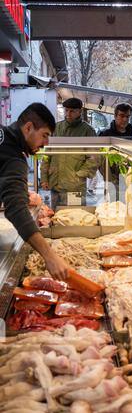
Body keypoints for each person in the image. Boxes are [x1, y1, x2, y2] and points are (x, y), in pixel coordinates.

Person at [0, 103, 69, 280]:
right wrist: (50, 256)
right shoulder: (15, 158)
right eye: (44, 135)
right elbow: (15, 208)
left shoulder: (3, 136)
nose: (45, 144)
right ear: (29, 127)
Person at [41, 97, 97, 208]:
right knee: (57, 218)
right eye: (66, 110)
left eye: (72, 111)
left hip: (75, 187)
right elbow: (47, 155)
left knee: (76, 218)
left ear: (80, 111)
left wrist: (79, 175)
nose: (68, 113)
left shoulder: (87, 130)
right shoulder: (56, 128)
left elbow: (95, 158)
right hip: (55, 184)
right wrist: (44, 178)